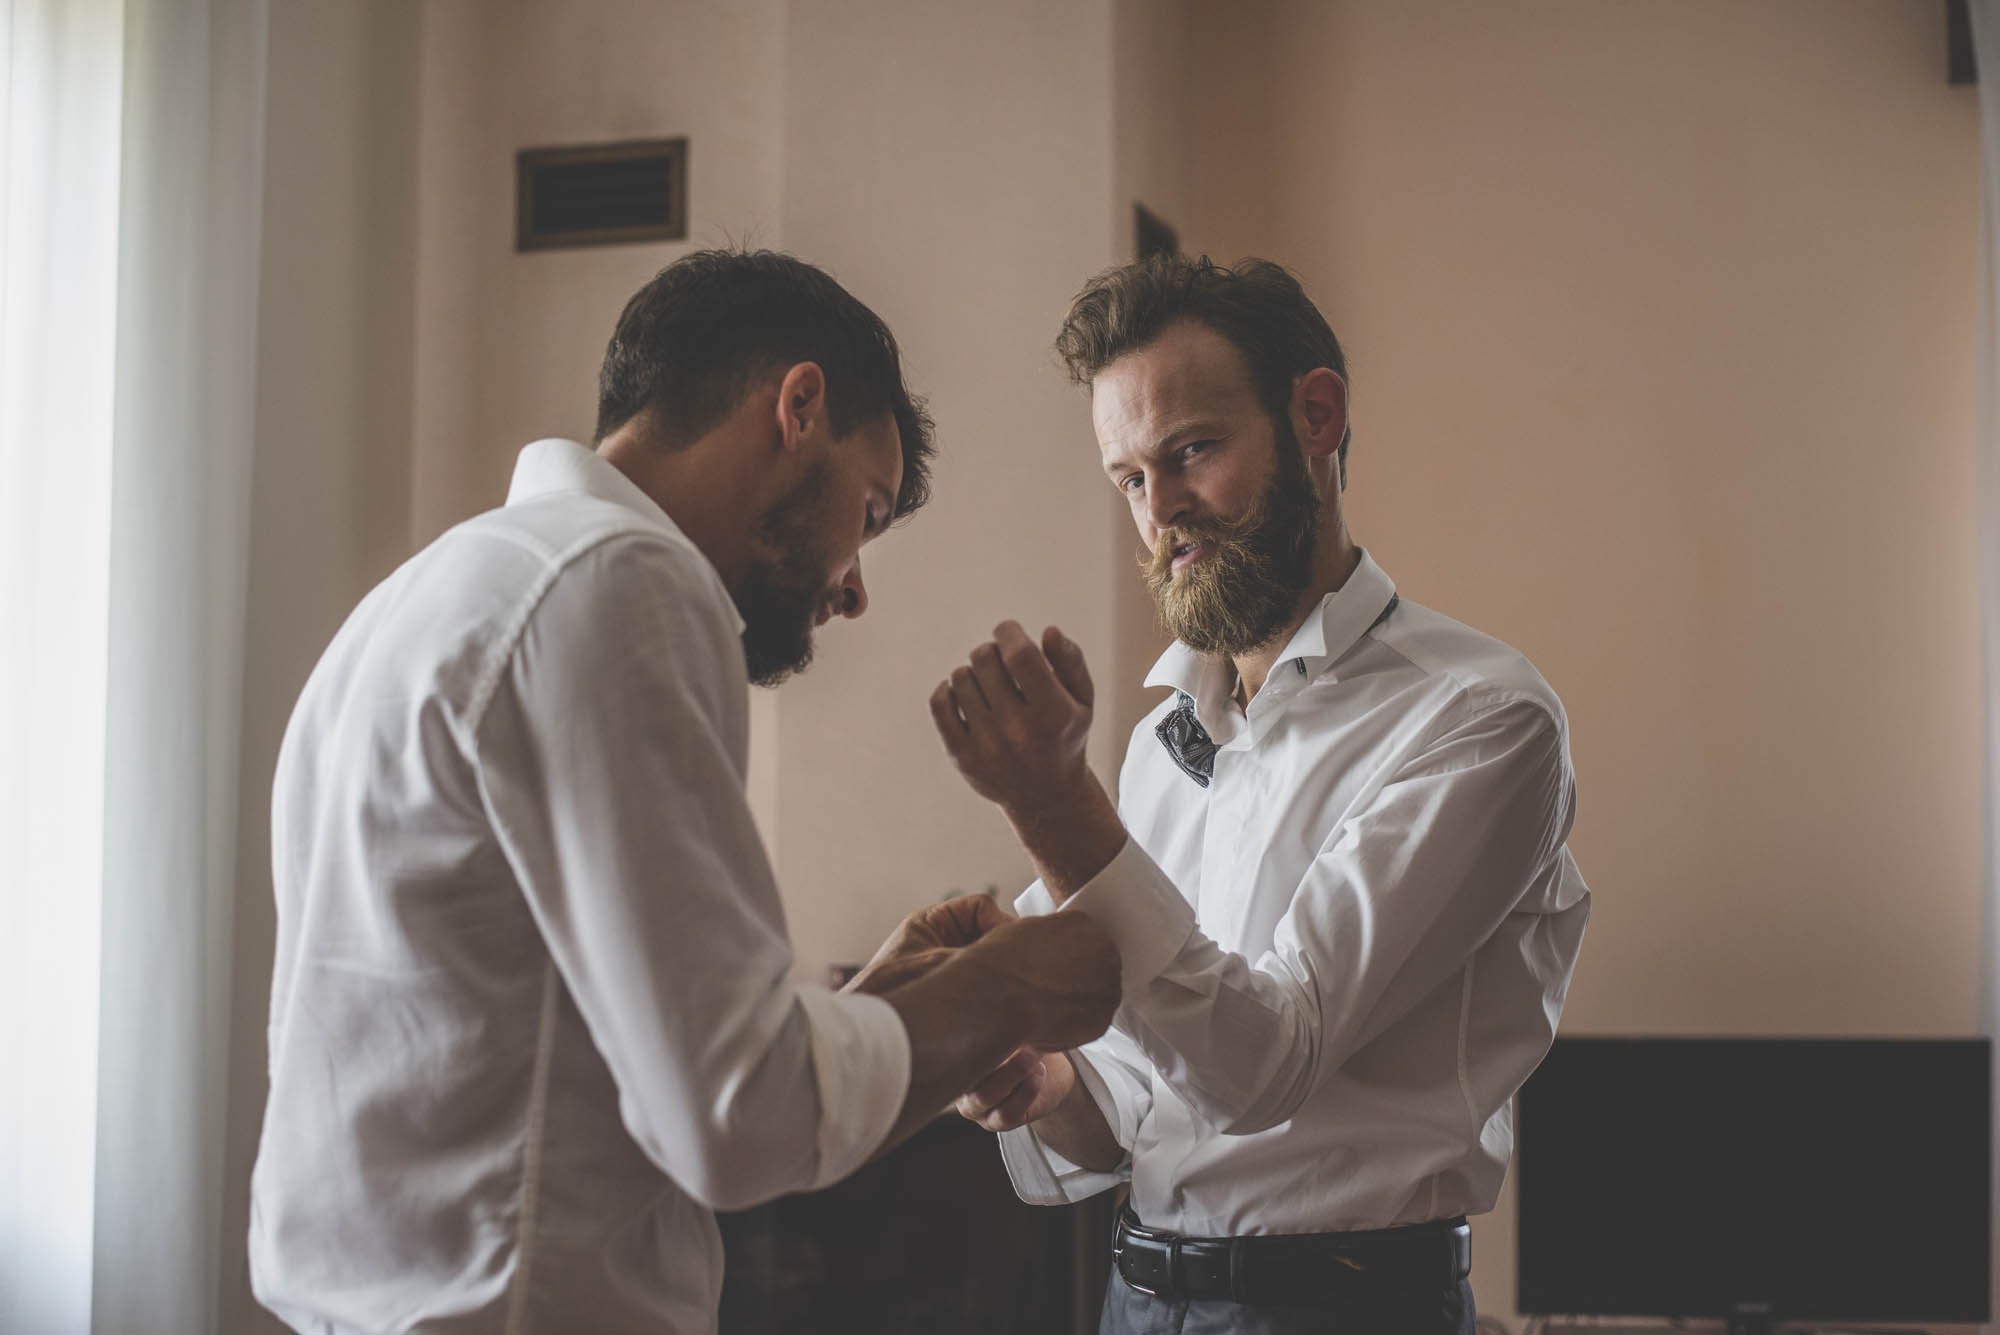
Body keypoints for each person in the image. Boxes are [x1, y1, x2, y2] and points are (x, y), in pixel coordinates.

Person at [248, 249, 1121, 1335]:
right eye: (870, 507)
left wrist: (885, 1006)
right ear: (798, 407)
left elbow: (593, 1076)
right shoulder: (617, 581)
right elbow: (736, 1122)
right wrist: (1020, 986)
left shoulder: (426, 597)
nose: (852, 587)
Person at [932, 255, 1591, 1335]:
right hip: (1132, 1303)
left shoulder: (1478, 720)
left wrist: (1053, 808)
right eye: (1130, 479)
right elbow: (1146, 1108)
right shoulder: (1158, 745)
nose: (1161, 514)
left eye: (1191, 451)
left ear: (1315, 416)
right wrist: (1044, 1085)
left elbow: (1260, 1067)